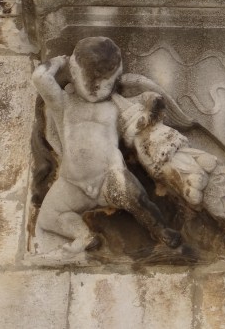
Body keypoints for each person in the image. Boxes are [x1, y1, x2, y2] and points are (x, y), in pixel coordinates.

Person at [33, 36, 183, 254]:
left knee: (138, 199)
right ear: (74, 74)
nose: (97, 89)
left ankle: (160, 229)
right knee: (49, 217)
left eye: (106, 83)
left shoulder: (116, 105)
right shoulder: (64, 104)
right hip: (72, 183)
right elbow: (40, 77)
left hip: (109, 178)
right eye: (91, 82)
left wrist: (150, 104)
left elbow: (140, 117)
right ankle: (84, 235)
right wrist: (60, 62)